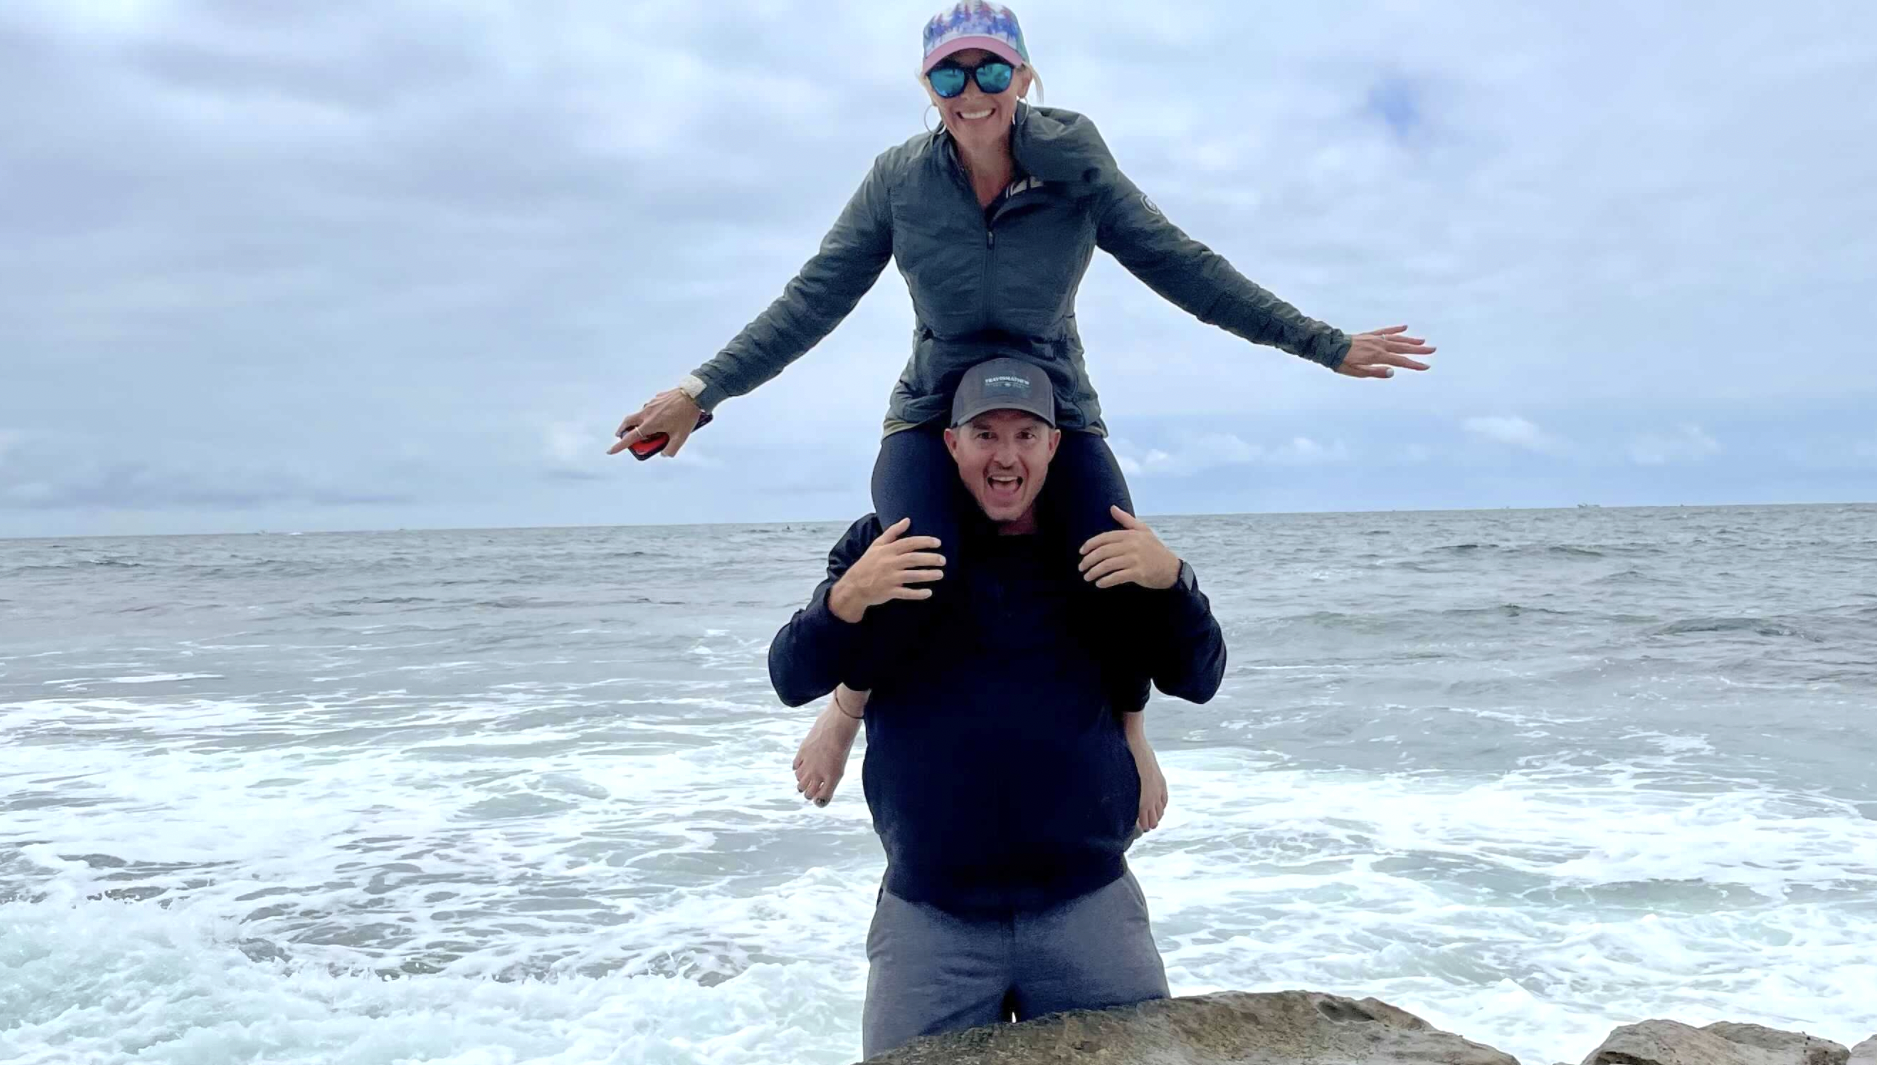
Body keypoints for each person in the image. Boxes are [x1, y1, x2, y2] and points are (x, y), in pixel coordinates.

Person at [609, 1, 1431, 809]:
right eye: (950, 72)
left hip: (1057, 405)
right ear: (926, 86)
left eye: (992, 68)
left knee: (1115, 563)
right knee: (919, 561)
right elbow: (812, 299)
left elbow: (1184, 265)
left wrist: (1324, 344)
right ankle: (846, 707)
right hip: (935, 409)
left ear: (1025, 76)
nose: (972, 90)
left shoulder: (1078, 169)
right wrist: (700, 391)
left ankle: (1130, 727)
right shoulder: (899, 181)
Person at [767, 358, 1226, 1058]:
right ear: (951, 445)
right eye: (984, 434)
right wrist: (844, 599)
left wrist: (1175, 582)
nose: (1005, 456)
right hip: (932, 915)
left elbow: (1198, 678)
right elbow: (789, 675)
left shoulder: (1099, 547)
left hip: (1087, 904)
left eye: (1025, 434)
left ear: (1054, 445)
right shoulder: (886, 542)